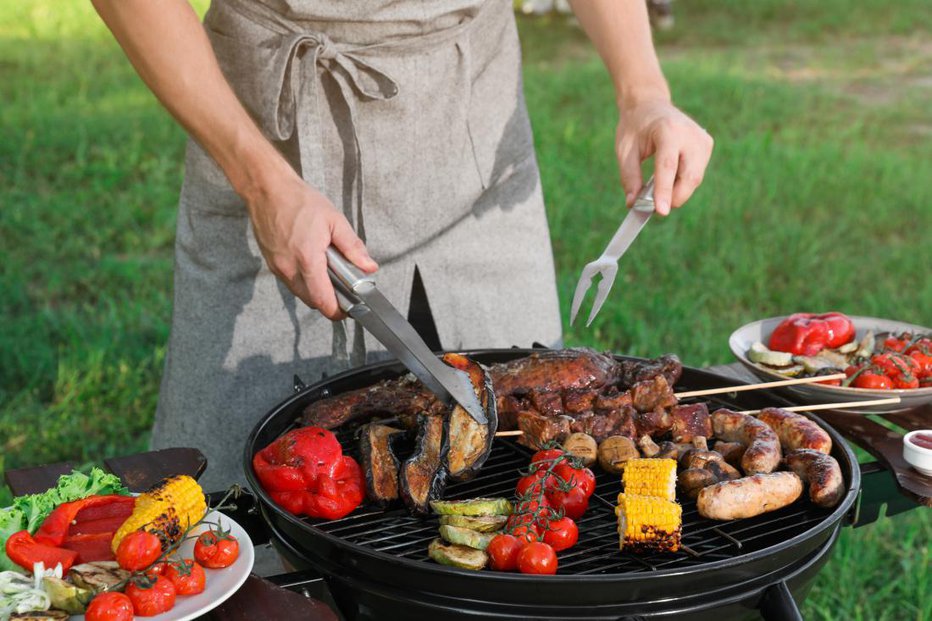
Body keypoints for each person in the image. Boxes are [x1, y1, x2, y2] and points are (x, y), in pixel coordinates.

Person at [92, 0, 713, 491]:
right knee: (228, 492)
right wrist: (261, 183)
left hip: (470, 115)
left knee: (530, 461)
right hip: (263, 129)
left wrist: (643, 92)